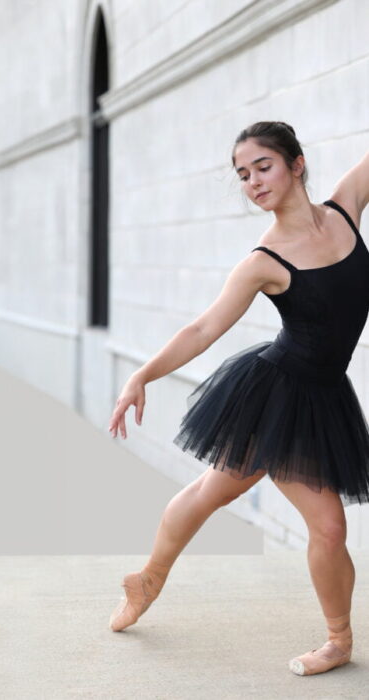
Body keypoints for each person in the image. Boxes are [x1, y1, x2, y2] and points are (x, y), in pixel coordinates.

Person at [107, 120, 369, 677]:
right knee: (327, 526)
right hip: (277, 394)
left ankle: (148, 577)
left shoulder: (346, 206)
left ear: (298, 163)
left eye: (263, 166)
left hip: (324, 396)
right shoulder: (263, 261)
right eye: (243, 175)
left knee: (210, 491)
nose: (252, 182)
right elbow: (203, 331)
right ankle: (338, 640)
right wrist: (142, 376)